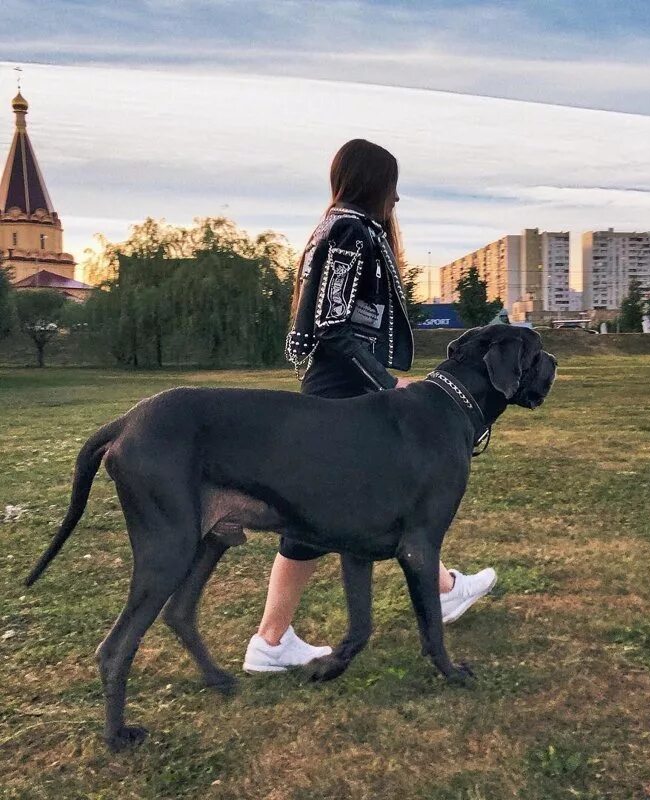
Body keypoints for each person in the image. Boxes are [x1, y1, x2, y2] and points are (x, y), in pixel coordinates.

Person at [243, 139, 496, 673]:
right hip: (345, 387)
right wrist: (385, 383)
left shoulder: (337, 228)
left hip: (337, 383)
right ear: (374, 184)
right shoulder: (349, 232)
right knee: (318, 513)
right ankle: (269, 639)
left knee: (351, 504)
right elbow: (332, 328)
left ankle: (442, 586)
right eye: (392, 185)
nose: (398, 198)